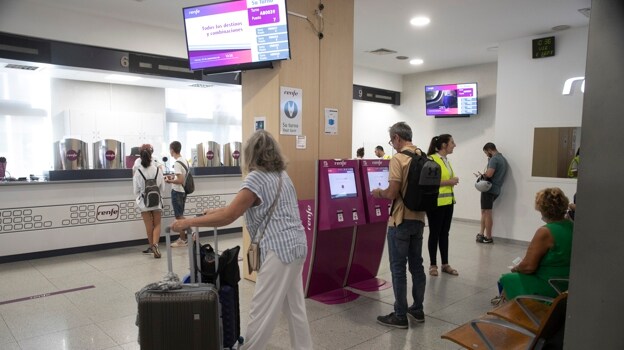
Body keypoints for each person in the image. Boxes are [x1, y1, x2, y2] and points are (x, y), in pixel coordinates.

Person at [171, 130, 312, 350]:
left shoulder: (256, 177)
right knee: (295, 308)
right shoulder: (283, 176)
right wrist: (212, 212)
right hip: (298, 246)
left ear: (250, 154)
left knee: (261, 309)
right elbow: (241, 206)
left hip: (278, 251)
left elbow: (230, 215)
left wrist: (188, 222)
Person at [371, 121, 426, 329]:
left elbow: (392, 193)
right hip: (419, 219)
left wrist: (379, 193)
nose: (392, 143)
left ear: (397, 138)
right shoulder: (422, 156)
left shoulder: (399, 159)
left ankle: (400, 315)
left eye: (392, 140)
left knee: (398, 268)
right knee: (417, 266)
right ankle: (417, 309)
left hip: (400, 220)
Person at [497, 188, 573, 301]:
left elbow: (528, 267)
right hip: (567, 282)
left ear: (542, 209)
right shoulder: (572, 225)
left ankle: (510, 311)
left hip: (550, 284)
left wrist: (516, 268)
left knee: (506, 279)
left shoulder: (545, 232)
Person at [426, 134, 459, 276]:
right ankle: (433, 265)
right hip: (436, 203)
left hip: (448, 202)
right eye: (452, 142)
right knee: (434, 233)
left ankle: (445, 264)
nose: (454, 145)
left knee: (444, 233)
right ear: (444, 145)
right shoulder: (432, 160)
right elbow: (428, 181)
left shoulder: (445, 160)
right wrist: (449, 182)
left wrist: (452, 181)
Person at [133, 144, 166, 258]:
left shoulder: (138, 172)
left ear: (140, 156)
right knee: (157, 224)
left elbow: (136, 190)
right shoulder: (158, 170)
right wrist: (159, 197)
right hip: (157, 201)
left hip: (144, 203)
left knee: (149, 227)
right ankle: (156, 244)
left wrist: (139, 201)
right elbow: (162, 188)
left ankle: (151, 246)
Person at [476, 142, 507, 244]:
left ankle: (488, 237)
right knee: (485, 212)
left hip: (489, 189)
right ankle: (481, 233)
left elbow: (489, 174)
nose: (486, 155)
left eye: (486, 153)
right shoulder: (503, 159)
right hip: (496, 189)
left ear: (489, 150)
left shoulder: (494, 159)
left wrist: (482, 175)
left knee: (487, 212)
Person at [166, 141, 191, 247]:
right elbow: (182, 178)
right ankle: (183, 239)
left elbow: (180, 180)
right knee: (179, 216)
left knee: (179, 216)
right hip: (183, 191)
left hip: (177, 191)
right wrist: (174, 177)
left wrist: (170, 181)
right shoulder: (184, 160)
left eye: (169, 149)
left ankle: (192, 232)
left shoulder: (177, 163)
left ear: (172, 150)